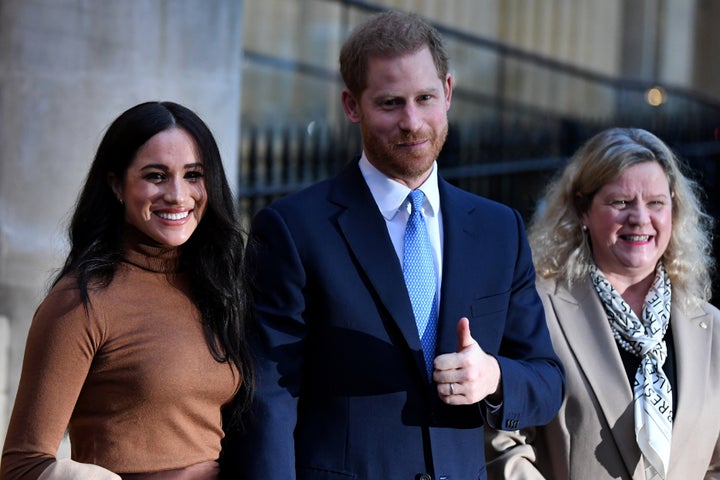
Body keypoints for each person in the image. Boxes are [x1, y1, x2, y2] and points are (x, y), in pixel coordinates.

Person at [223, 10, 564, 480]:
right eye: (390, 103)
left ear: (447, 92)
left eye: (425, 98)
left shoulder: (498, 230)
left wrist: (494, 377)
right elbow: (269, 396)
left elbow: (546, 380)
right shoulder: (292, 228)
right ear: (351, 105)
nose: (412, 122)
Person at [0, 101, 254, 480]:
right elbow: (22, 465)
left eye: (193, 175)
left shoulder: (217, 286)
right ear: (117, 185)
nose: (178, 195)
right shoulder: (80, 304)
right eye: (156, 175)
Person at [485, 127, 720, 479]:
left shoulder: (711, 326)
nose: (640, 218)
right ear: (583, 210)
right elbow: (503, 442)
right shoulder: (539, 310)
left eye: (656, 202)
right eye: (621, 202)